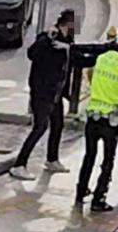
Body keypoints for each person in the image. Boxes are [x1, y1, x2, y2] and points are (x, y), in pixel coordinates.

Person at [10, 11, 109, 181]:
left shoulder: (68, 42)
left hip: (57, 92)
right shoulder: (47, 39)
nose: (76, 29)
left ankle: (52, 159)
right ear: (67, 23)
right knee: (40, 127)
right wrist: (47, 39)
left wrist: (101, 57)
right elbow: (32, 54)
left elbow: (77, 59)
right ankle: (19, 164)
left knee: (57, 124)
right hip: (43, 91)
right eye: (74, 25)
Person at [75, 32, 118, 212]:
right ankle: (99, 198)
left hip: (93, 114)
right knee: (108, 160)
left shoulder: (102, 58)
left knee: (89, 156)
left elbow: (91, 74)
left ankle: (80, 191)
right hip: (111, 119)